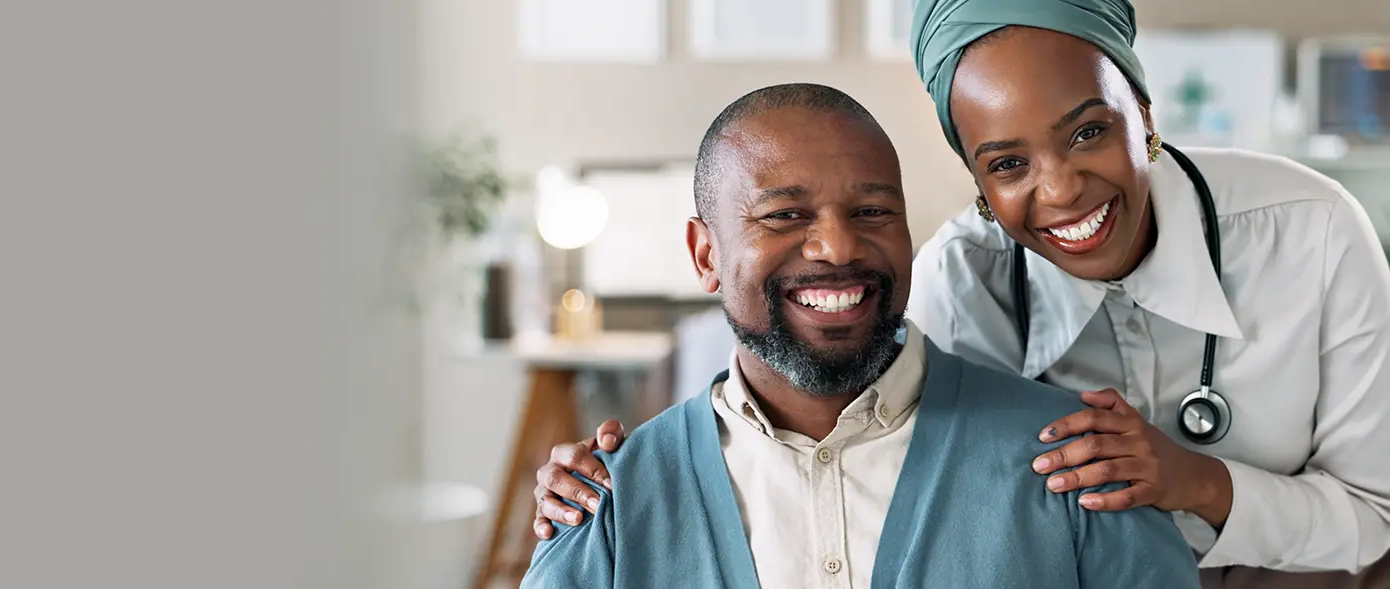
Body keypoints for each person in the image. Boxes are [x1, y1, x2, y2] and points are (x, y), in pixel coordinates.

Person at [528, 1, 1390, 587]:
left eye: (1089, 130)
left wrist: (1190, 480)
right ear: (976, 179)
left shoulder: (1308, 230)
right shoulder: (956, 278)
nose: (1058, 190)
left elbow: (1373, 513)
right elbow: (842, 396)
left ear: (1147, 114)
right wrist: (623, 476)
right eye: (1008, 162)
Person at [521, 82, 1198, 589]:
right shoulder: (608, 507)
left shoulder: (1080, 465)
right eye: (785, 214)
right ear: (705, 255)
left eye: (872, 210)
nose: (838, 245)